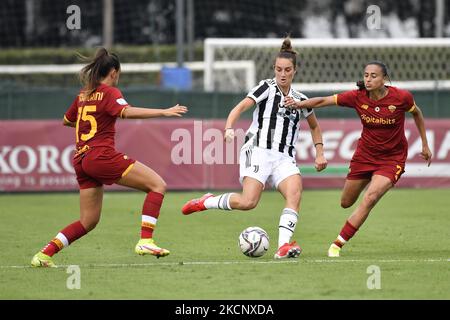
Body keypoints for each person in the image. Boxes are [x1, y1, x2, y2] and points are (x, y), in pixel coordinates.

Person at [31, 48, 187, 267]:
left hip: (81, 160)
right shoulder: (110, 92)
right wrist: (163, 111)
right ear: (113, 72)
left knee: (88, 221)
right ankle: (145, 240)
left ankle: (44, 254)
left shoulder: (83, 94)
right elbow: (127, 112)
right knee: (157, 185)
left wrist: (92, 118)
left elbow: (67, 120)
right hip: (100, 155)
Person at [181, 37, 328, 259]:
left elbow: (315, 127)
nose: (282, 74)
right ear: (274, 69)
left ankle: (283, 247)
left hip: (285, 157)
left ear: (295, 71)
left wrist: (320, 153)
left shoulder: (301, 99)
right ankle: (207, 201)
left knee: (295, 194)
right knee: (248, 202)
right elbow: (239, 107)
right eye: (278, 69)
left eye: (287, 70)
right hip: (258, 149)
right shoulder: (266, 88)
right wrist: (229, 128)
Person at [284, 61, 432, 257]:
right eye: (366, 75)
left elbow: (417, 113)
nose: (368, 79)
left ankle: (337, 244)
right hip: (365, 156)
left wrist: (424, 143)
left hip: (392, 159)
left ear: (384, 79)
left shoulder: (401, 97)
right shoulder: (357, 97)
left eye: (373, 76)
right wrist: (298, 104)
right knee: (346, 202)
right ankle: (371, 179)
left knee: (370, 198)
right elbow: (323, 101)